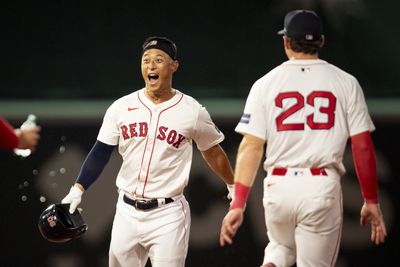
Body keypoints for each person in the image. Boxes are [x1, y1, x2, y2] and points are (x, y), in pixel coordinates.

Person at [219, 9, 387, 267]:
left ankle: (274, 261)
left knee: (280, 247)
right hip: (320, 186)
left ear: (286, 42)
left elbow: (250, 147)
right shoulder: (346, 82)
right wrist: (371, 200)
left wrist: (238, 203)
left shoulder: (265, 83)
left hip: (278, 186)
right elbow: (362, 146)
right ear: (321, 41)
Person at [61, 36, 234, 267]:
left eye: (159, 60)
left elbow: (212, 151)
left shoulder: (192, 111)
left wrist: (233, 185)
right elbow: (101, 152)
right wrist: (77, 188)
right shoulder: (121, 107)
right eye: (146, 60)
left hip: (168, 214)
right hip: (126, 211)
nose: (151, 65)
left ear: (174, 66)